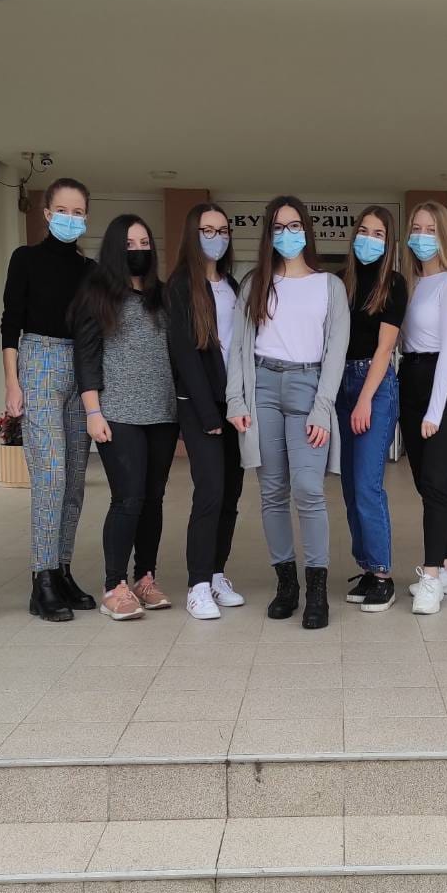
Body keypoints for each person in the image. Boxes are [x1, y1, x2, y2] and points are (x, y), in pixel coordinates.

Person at [226, 195, 350, 630]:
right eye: (278, 227)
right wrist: (236, 400)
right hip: (262, 385)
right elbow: (238, 347)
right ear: (268, 234)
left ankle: (316, 588)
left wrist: (322, 408)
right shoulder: (254, 283)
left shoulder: (329, 285)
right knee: (272, 492)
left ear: (307, 230)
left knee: (309, 489)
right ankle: (287, 584)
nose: (287, 234)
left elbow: (336, 351)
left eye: (294, 225)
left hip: (308, 386)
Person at [73, 214, 179, 622]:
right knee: (128, 499)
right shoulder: (96, 295)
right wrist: (93, 412)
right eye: (129, 244)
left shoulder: (162, 296)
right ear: (115, 249)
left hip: (162, 414)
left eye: (144, 243)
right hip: (118, 414)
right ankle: (113, 585)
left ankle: (144, 578)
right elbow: (86, 357)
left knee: (153, 499)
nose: (138, 250)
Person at [1, 177, 95, 622]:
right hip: (38, 358)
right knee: (51, 474)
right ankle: (41, 579)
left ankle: (62, 570)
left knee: (74, 479)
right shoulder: (26, 259)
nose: (69, 219)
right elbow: (9, 322)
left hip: (82, 366)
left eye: (78, 212)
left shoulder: (91, 270)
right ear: (46, 213)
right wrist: (12, 382)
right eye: (62, 210)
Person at [166, 202, 247, 620]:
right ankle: (197, 585)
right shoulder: (181, 286)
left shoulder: (232, 285)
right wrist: (208, 415)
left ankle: (216, 574)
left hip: (234, 406)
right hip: (202, 407)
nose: (216, 238)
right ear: (192, 235)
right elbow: (184, 354)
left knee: (231, 494)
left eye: (223, 230)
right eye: (207, 230)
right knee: (210, 492)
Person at [399, 201, 447, 616]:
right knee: (426, 483)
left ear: (444, 235)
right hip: (410, 378)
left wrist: (435, 410)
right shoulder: (411, 283)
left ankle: (431, 577)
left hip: (445, 387)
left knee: (436, 479)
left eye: (430, 229)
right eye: (416, 227)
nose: (422, 235)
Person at [337, 206, 407, 613]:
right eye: (363, 231)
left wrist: (364, 398)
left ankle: (383, 574)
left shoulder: (393, 284)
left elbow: (384, 349)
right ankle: (365, 566)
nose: (368, 239)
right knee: (349, 485)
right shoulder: (340, 282)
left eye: (378, 234)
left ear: (388, 242)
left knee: (367, 484)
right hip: (341, 382)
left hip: (374, 387)